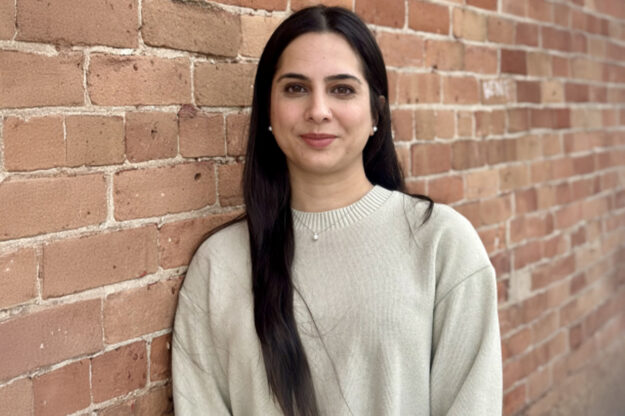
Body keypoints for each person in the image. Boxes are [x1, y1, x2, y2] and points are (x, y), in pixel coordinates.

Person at [172, 5, 502, 416]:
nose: (318, 110)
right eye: (296, 88)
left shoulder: (441, 244)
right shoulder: (219, 265)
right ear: (268, 111)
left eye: (342, 89)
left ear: (376, 112)